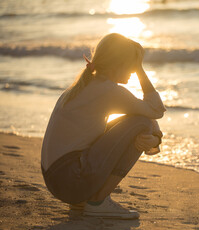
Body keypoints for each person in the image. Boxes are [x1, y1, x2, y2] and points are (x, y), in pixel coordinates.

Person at [41, 33, 166, 219]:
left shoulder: (86, 85)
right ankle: (98, 202)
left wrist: (156, 138)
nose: (133, 71)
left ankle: (82, 202)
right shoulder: (108, 90)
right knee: (143, 122)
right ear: (119, 63)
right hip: (71, 179)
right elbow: (156, 110)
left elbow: (146, 115)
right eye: (132, 64)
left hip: (60, 180)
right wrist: (141, 70)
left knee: (142, 121)